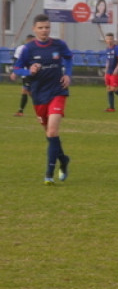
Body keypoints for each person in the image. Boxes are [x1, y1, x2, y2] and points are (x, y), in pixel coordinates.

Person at [11, 14, 73, 184]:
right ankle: (64, 160)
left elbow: (68, 58)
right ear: (34, 29)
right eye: (40, 28)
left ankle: (49, 174)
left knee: (52, 131)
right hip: (38, 95)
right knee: (49, 134)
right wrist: (28, 71)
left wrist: (67, 74)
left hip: (58, 91)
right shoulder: (28, 49)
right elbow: (16, 69)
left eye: (47, 27)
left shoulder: (59, 45)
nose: (44, 30)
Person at [12, 35, 32, 116]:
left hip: (30, 73)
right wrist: (15, 72)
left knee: (29, 92)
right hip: (25, 73)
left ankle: (45, 107)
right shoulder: (21, 48)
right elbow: (16, 61)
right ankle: (20, 111)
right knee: (25, 91)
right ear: (27, 40)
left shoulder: (35, 49)